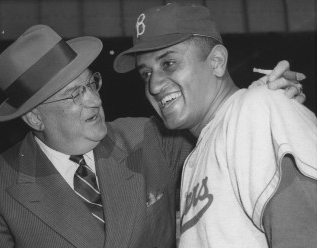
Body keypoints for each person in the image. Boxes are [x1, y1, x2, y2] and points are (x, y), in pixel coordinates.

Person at [0, 26, 303, 248]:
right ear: (35, 116)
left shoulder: (149, 137)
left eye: (91, 83)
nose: (94, 100)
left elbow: (216, 123)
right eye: (73, 94)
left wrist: (257, 98)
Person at [113, 2, 317, 248]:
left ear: (217, 61)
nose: (153, 86)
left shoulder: (255, 111)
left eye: (168, 64)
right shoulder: (199, 153)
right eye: (146, 73)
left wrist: (265, 105)